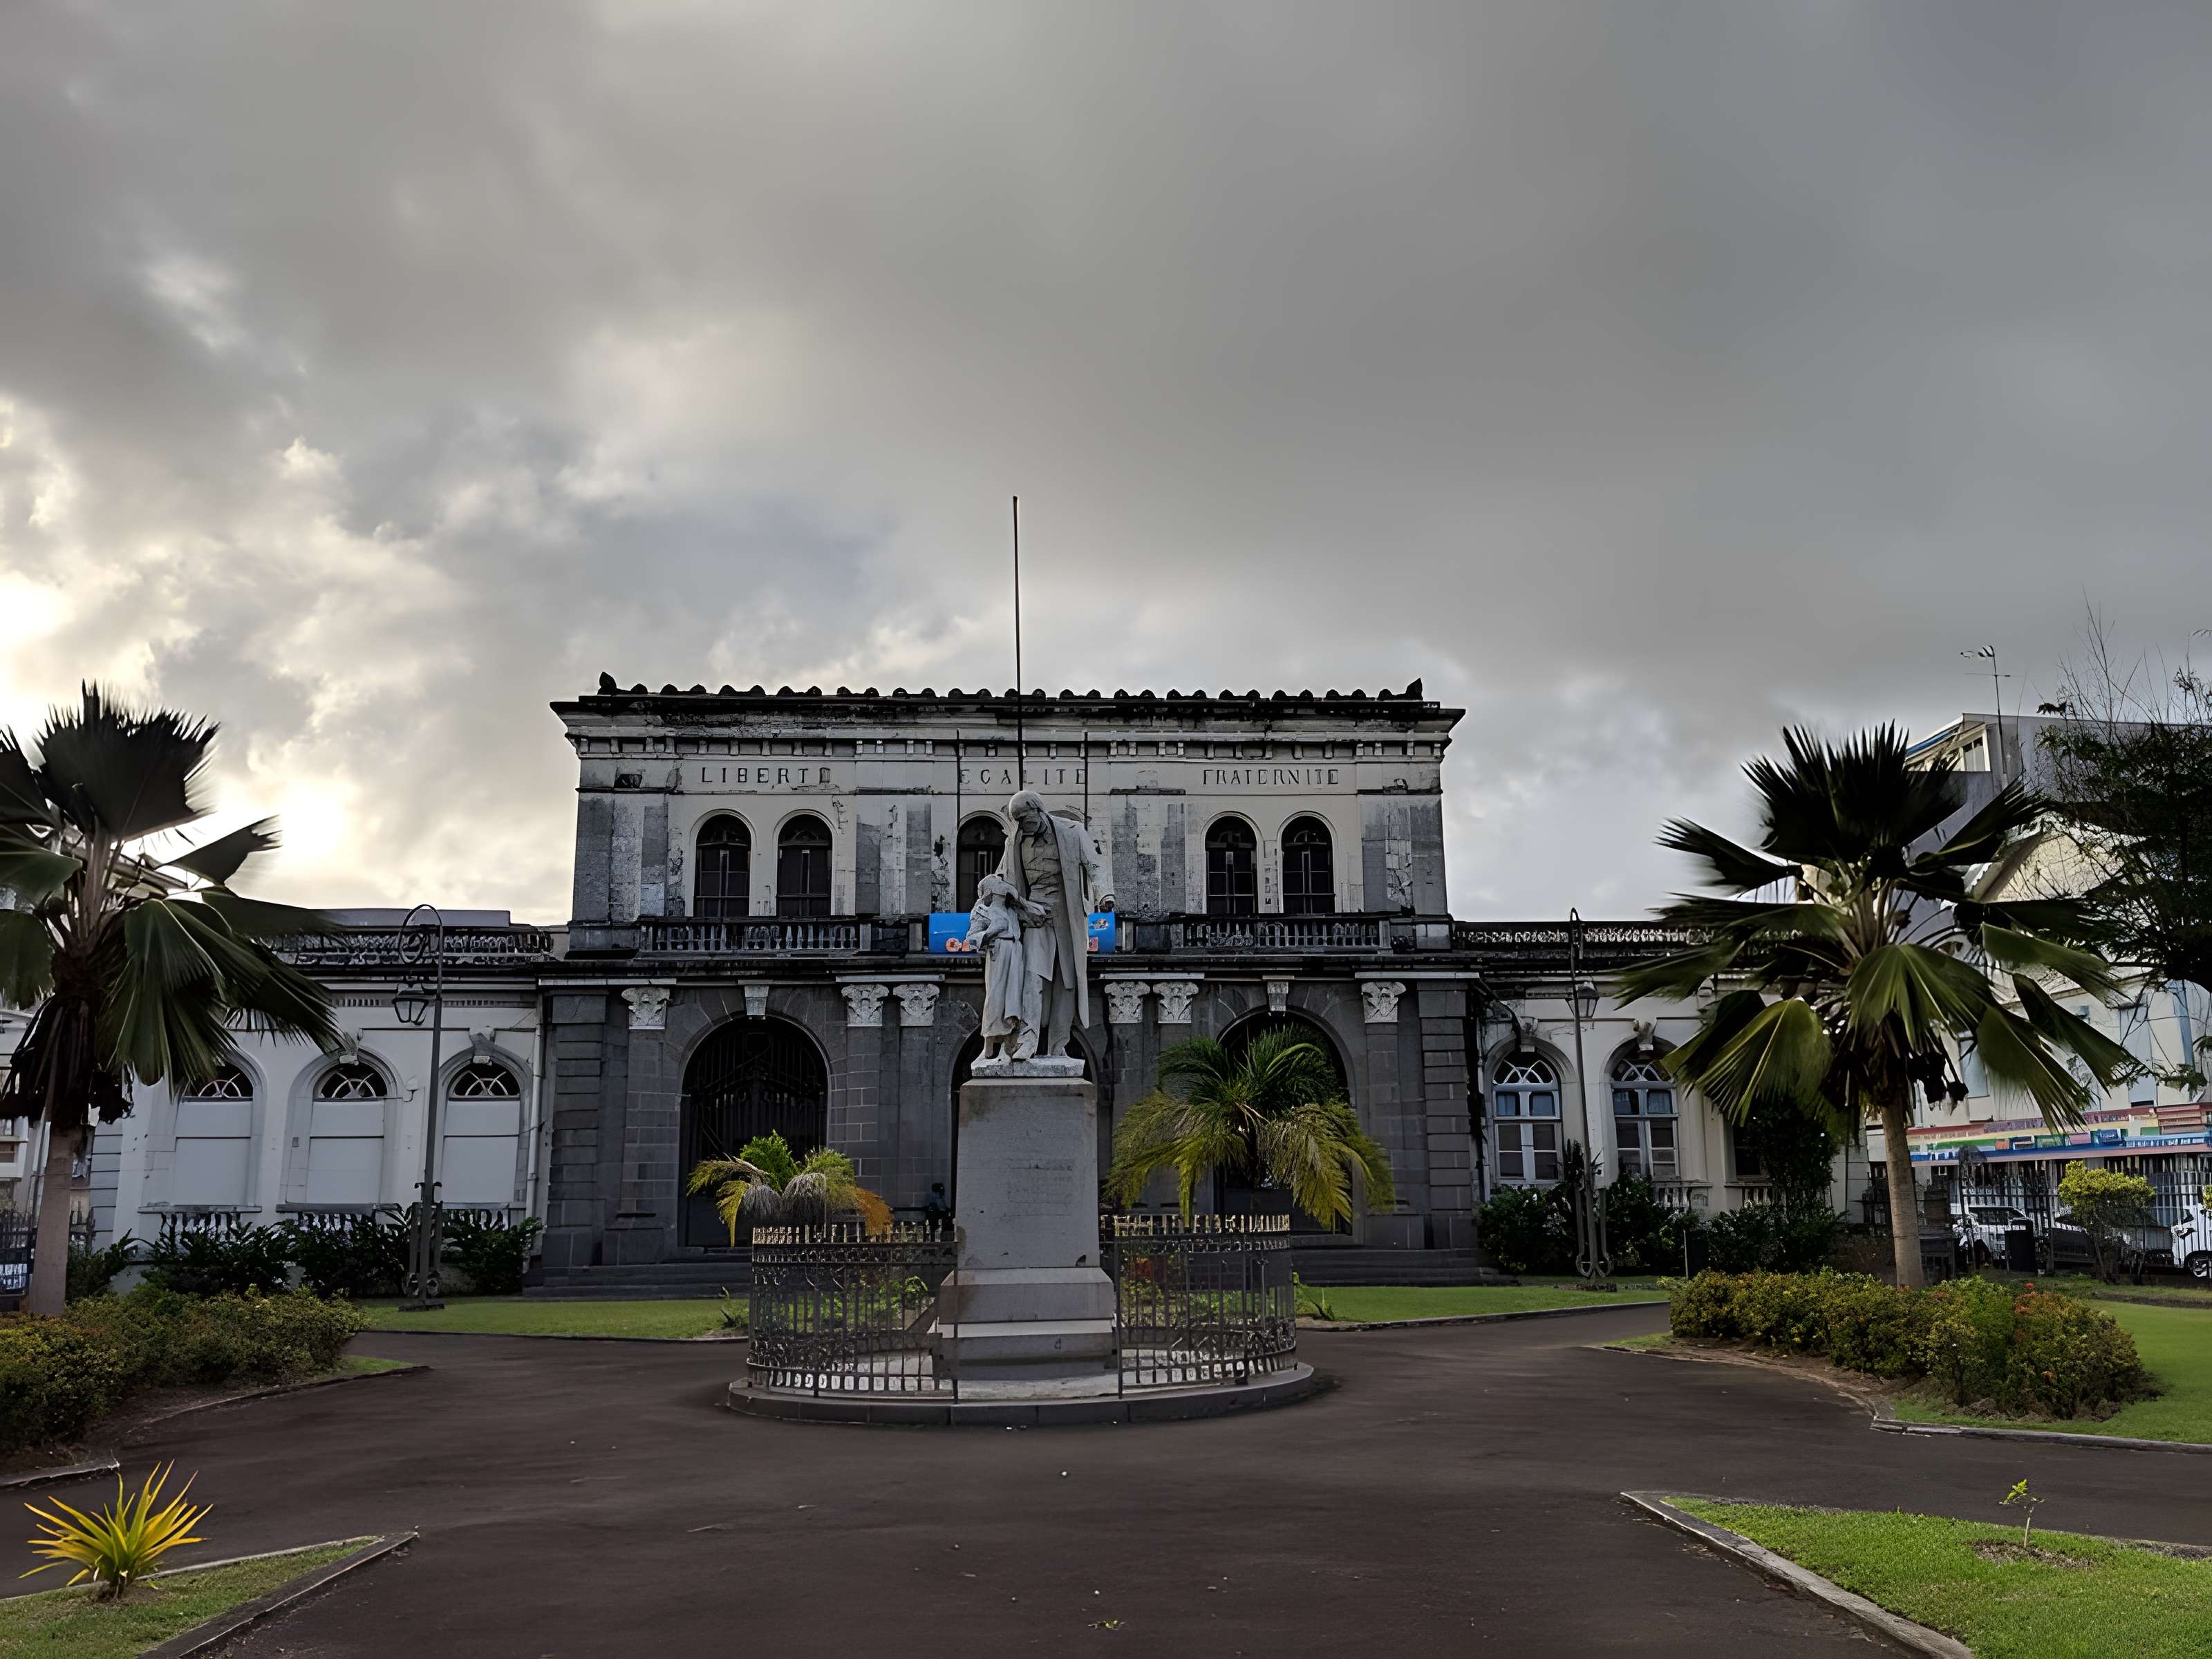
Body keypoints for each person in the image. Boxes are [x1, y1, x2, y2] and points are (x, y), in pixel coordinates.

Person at [992, 790, 1115, 1059]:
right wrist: (1018, 904)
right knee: (1032, 976)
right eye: (1017, 820)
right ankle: (1028, 1039)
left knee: (1066, 981)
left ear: (1038, 810)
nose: (1022, 825)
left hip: (1068, 911)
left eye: (1024, 818)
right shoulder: (1014, 841)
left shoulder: (1072, 831)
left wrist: (1105, 894)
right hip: (1035, 915)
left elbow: (1095, 865)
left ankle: (1058, 1046)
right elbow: (1003, 878)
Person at [965, 872, 1038, 1060]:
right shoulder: (982, 910)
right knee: (995, 998)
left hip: (1016, 953)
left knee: (1014, 996)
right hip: (998, 952)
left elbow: (1039, 917)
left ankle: (1011, 1038)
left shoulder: (1013, 911)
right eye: (997, 882)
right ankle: (988, 1045)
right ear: (988, 889)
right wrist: (990, 932)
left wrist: (1020, 901)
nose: (1001, 882)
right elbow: (971, 939)